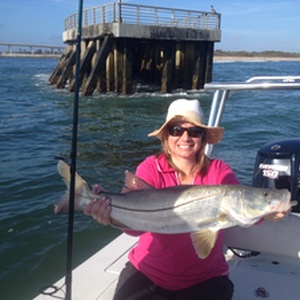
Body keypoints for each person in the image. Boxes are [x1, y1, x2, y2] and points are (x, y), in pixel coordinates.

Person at [84, 99, 289, 300]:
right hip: (148, 271)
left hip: (205, 279)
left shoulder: (219, 171)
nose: (185, 137)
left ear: (203, 138)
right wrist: (109, 216)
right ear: (166, 135)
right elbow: (134, 229)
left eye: (194, 131)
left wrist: (270, 213)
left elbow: (246, 209)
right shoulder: (149, 167)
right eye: (176, 130)